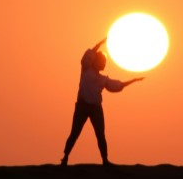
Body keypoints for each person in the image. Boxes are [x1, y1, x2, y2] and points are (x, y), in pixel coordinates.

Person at [61, 38, 143, 166]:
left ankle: (105, 160)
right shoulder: (86, 69)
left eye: (105, 62)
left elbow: (117, 85)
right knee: (75, 133)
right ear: (96, 62)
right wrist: (99, 44)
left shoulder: (103, 79)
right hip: (82, 106)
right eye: (102, 62)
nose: (104, 64)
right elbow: (88, 56)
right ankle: (65, 157)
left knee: (100, 135)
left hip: (96, 108)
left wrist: (133, 81)